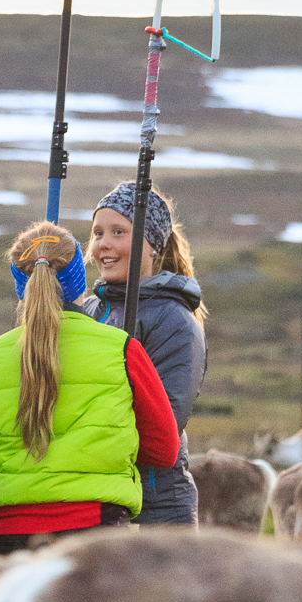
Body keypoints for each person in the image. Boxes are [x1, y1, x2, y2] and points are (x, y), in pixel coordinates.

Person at [0, 222, 180, 554]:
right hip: (95, 531)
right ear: (78, 282)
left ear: (20, 286)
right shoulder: (122, 348)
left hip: (9, 534)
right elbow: (164, 449)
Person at [82, 184, 207, 526]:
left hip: (156, 507)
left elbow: (163, 427)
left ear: (151, 246)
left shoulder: (174, 320)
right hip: (95, 496)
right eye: (97, 233)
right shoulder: (89, 310)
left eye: (118, 232)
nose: (103, 244)